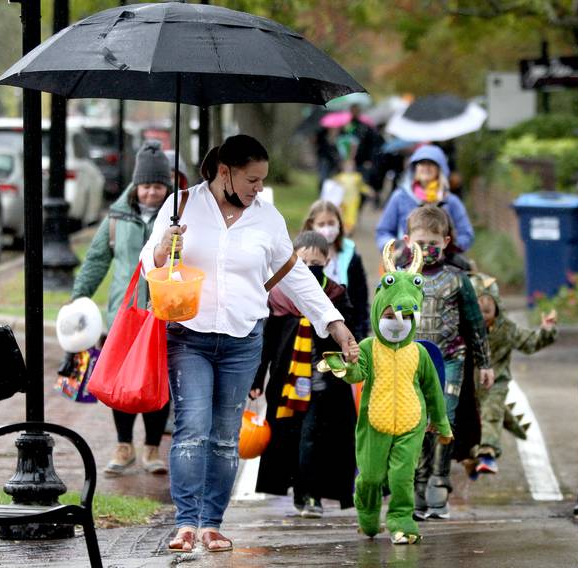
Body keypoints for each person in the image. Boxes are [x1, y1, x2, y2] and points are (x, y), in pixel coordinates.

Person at [139, 134, 359, 554]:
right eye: (251, 180)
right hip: (189, 334)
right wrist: (165, 247)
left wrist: (335, 324)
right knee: (192, 429)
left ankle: (212, 524)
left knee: (224, 435)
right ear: (225, 172)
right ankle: (186, 523)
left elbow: (295, 276)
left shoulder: (268, 218)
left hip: (243, 339)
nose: (258, 189)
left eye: (262, 181)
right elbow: (149, 263)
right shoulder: (180, 205)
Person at [323, 240, 451, 545]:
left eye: (406, 318)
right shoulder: (369, 347)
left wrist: (442, 423)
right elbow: (358, 372)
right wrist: (343, 366)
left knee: (401, 478)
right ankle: (367, 515)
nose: (398, 323)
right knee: (370, 477)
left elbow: (433, 390)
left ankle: (401, 521)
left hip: (411, 424)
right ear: (381, 310)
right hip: (374, 424)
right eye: (392, 316)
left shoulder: (419, 354)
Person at [70, 140, 173, 476]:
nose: (151, 194)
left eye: (158, 187)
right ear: (135, 185)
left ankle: (152, 447)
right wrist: (78, 299)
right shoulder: (116, 217)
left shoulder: (176, 219)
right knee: (119, 381)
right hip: (123, 314)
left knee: (156, 381)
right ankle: (123, 444)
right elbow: (97, 260)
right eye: (145, 186)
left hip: (162, 313)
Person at [249, 231, 357, 518]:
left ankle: (311, 495)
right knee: (291, 437)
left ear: (327, 260)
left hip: (324, 383)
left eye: (316, 261)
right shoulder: (278, 297)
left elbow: (348, 333)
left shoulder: (335, 294)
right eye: (303, 261)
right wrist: (257, 380)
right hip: (286, 384)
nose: (309, 266)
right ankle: (298, 491)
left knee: (314, 436)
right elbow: (267, 344)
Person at [397, 205, 493, 521]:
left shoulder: (457, 280)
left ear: (446, 241)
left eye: (432, 243)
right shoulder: (400, 279)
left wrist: (485, 363)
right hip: (414, 362)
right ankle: (420, 483)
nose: (426, 250)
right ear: (408, 241)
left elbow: (475, 322)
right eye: (419, 243)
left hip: (452, 358)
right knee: (418, 421)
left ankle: (440, 481)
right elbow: (385, 319)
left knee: (444, 419)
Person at [469, 273, 558, 475]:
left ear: (497, 307)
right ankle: (465, 457)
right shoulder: (461, 328)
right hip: (466, 383)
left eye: (487, 311)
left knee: (491, 413)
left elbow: (530, 342)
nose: (482, 316)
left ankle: (487, 454)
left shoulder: (507, 329)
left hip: (495, 383)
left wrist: (547, 330)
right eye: (477, 311)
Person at [375, 144, 474, 254]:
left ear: (440, 169)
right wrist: (397, 247)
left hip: (443, 262)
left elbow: (466, 234)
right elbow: (383, 232)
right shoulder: (400, 197)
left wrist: (450, 248)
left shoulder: (450, 201)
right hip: (406, 261)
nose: (426, 167)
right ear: (414, 168)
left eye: (431, 163)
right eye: (421, 163)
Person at [301, 200, 370, 341]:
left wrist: (361, 335)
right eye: (321, 224)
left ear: (339, 223)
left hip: (345, 328)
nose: (327, 229)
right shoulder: (301, 256)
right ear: (311, 225)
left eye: (331, 223)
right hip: (309, 332)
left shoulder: (351, 256)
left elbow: (360, 300)